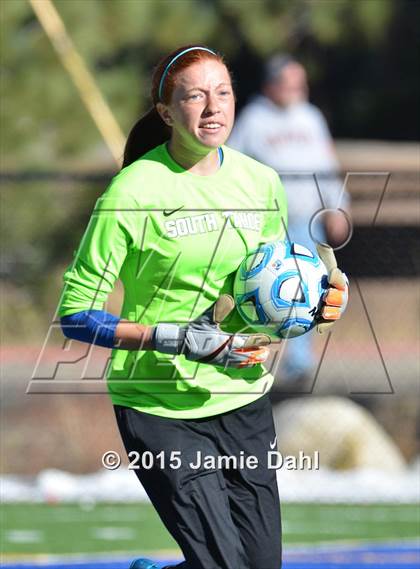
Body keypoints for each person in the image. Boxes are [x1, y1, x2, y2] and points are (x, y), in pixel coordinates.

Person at [58, 45, 347, 569]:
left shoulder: (261, 183)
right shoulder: (132, 193)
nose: (213, 107)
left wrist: (312, 306)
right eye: (195, 96)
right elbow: (76, 315)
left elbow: (264, 297)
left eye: (223, 92)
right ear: (168, 113)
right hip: (160, 407)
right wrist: (172, 336)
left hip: (243, 402)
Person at [229, 54, 351, 393]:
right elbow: (231, 164)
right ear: (271, 86)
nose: (297, 90)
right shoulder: (253, 119)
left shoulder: (310, 117)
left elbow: (326, 165)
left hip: (307, 220)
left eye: (301, 83)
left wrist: (338, 207)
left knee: (309, 292)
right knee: (261, 290)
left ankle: (299, 366)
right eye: (290, 83)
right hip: (268, 223)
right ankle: (251, 358)